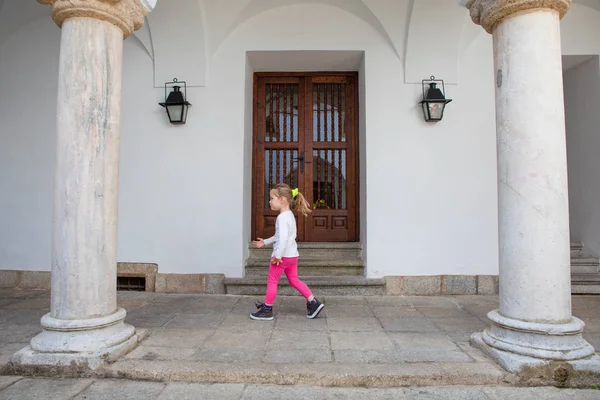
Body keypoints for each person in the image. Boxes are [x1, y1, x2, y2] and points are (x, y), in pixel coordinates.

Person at [250, 183, 324, 321]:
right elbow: (281, 236)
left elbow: (282, 239)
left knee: (272, 281)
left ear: (282, 199)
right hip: (292, 256)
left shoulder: (281, 217)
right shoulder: (289, 215)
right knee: (294, 280)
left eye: (272, 198)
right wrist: (265, 242)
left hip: (282, 257)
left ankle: (267, 309)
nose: (270, 201)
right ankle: (313, 302)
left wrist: (277, 256)